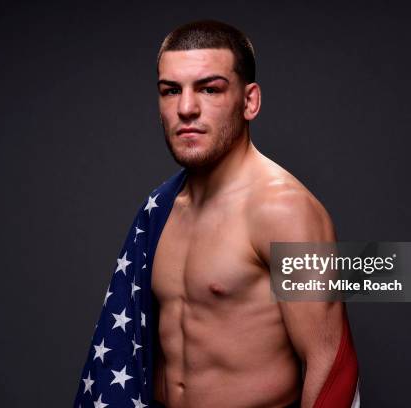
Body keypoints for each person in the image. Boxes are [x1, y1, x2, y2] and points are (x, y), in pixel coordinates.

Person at [150, 20, 359, 408]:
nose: (186, 108)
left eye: (209, 89)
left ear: (250, 102)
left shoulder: (282, 210)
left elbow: (331, 362)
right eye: (171, 91)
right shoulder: (161, 212)